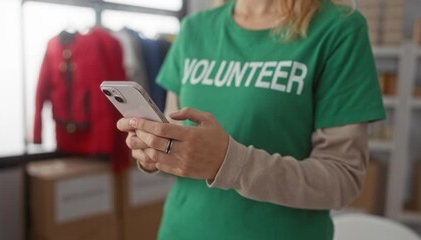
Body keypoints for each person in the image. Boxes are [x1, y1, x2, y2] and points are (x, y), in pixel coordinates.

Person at [117, 0, 386, 239]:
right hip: (182, 230)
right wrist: (154, 153)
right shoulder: (194, 29)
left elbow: (343, 178)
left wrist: (229, 163)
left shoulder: (339, 29)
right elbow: (178, 144)